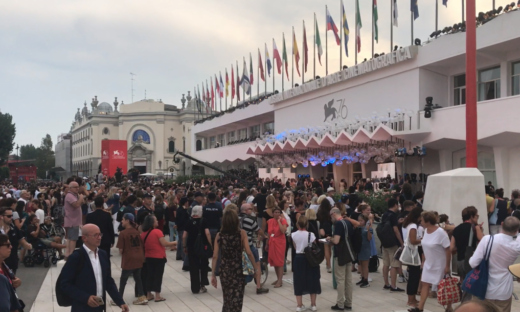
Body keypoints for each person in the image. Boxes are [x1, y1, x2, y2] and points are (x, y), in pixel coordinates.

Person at [60, 224, 129, 312]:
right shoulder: (76, 257)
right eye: (95, 235)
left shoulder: (103, 255)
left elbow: (108, 280)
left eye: (100, 234)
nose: (99, 238)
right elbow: (65, 284)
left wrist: (120, 301)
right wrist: (86, 298)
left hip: (99, 307)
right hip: (82, 307)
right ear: (84, 238)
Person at [468, 216, 520, 311]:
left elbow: (473, 263)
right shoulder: (517, 244)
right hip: (504, 290)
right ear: (517, 230)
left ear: (502, 224)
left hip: (483, 289)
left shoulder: (488, 240)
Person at [211, 209, 257, 312]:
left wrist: (213, 273)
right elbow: (249, 252)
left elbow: (215, 256)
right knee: (237, 297)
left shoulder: (220, 235)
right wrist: (255, 267)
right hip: (238, 269)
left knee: (227, 297)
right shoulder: (242, 234)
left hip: (225, 269)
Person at [411, 211, 452, 312]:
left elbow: (448, 250)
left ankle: (449, 307)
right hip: (429, 262)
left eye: (422, 220)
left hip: (439, 263)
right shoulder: (426, 231)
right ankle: (420, 307)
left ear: (428, 221)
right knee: (425, 283)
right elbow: (425, 247)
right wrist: (424, 260)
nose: (420, 221)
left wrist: (447, 266)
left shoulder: (441, 233)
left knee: (442, 285)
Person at [450, 206, 484, 303]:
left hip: (460, 260)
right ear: (472, 216)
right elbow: (483, 242)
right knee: (470, 287)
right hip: (471, 260)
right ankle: (466, 306)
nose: (477, 218)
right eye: (476, 216)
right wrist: (480, 230)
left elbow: (451, 247)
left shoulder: (457, 228)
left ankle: (464, 304)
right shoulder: (475, 227)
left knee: (464, 283)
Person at [140, 214, 176, 302]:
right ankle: (157, 295)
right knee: (158, 276)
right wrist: (176, 242)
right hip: (159, 257)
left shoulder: (143, 234)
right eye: (155, 220)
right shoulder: (157, 232)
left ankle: (148, 294)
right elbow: (164, 243)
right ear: (152, 223)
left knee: (149, 275)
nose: (157, 221)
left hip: (148, 257)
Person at [115, 213, 148, 305]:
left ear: (127, 221)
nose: (121, 221)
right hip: (139, 257)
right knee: (138, 277)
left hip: (129, 258)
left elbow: (121, 250)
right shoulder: (137, 232)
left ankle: (118, 298)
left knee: (123, 279)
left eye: (123, 219)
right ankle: (142, 296)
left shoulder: (123, 233)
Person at [327, 207, 354, 311]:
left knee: (340, 279)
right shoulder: (347, 222)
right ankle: (348, 302)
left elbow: (337, 241)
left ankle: (340, 303)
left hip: (341, 253)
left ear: (333, 214)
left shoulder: (338, 224)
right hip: (348, 252)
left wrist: (330, 238)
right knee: (348, 279)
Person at [291, 215, 321, 312]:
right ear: (307, 224)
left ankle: (299, 305)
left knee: (298, 280)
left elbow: (295, 247)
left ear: (297, 224)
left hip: (299, 258)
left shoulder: (293, 234)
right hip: (310, 259)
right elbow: (314, 247)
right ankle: (313, 304)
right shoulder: (311, 235)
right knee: (312, 279)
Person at [238, 203, 269, 294]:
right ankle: (258, 287)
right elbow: (258, 231)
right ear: (246, 210)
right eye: (251, 209)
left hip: (237, 247)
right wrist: (264, 236)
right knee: (257, 265)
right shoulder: (250, 220)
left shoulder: (235, 219)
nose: (252, 211)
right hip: (249, 246)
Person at [183, 205, 212, 294]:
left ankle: (195, 288)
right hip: (203, 246)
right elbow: (207, 233)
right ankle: (202, 284)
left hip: (191, 247)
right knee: (203, 265)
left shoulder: (189, 221)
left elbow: (184, 236)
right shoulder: (204, 221)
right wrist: (211, 244)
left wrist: (184, 246)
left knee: (193, 267)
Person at [380, 198, 405, 292]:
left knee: (386, 263)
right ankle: (393, 286)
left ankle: (386, 283)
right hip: (393, 242)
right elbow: (395, 230)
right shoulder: (393, 215)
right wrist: (401, 243)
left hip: (385, 242)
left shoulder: (385, 214)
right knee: (394, 264)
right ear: (395, 205)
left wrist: (398, 222)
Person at [401, 207, 423, 308]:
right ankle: (410, 299)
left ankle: (412, 297)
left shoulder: (408, 224)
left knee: (414, 275)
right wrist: (423, 239)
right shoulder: (413, 226)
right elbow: (413, 240)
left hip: (413, 251)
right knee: (414, 276)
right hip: (413, 252)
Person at [0, 206, 32, 274]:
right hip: (1, 262)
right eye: (9, 216)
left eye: (12, 216)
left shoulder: (14, 229)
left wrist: (28, 245)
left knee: (11, 282)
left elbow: (22, 241)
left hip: (12, 262)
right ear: (1, 217)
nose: (11, 218)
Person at [0, 234, 23, 312]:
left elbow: (12, 280)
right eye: (7, 245)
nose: (11, 247)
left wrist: (17, 282)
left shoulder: (4, 264)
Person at [266, 207, 288, 288]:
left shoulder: (283, 220)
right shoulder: (270, 221)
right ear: (272, 213)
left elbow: (283, 230)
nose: (277, 214)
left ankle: (280, 280)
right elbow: (269, 233)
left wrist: (279, 222)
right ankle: (278, 278)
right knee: (274, 261)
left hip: (280, 242)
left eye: (279, 212)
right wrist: (266, 243)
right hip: (272, 241)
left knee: (280, 261)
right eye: (275, 212)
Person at [63, 181, 84, 258]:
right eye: (75, 187)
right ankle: (71, 254)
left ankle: (68, 254)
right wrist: (81, 198)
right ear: (70, 188)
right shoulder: (70, 196)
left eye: (78, 187)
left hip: (73, 221)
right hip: (72, 221)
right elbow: (76, 204)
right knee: (73, 239)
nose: (77, 188)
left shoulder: (73, 195)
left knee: (70, 238)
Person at [356, 214, 373, 288]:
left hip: (365, 248)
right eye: (359, 220)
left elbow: (369, 238)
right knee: (361, 264)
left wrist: (369, 229)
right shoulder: (358, 228)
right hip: (359, 248)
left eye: (361, 221)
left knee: (365, 265)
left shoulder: (367, 228)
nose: (360, 222)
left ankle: (366, 280)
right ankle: (362, 278)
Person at [317, 199, 333, 273]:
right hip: (330, 230)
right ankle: (329, 263)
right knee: (330, 248)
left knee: (326, 248)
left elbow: (318, 221)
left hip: (322, 230)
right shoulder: (330, 212)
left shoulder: (320, 212)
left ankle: (328, 264)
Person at [176, 197, 190, 265]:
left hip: (179, 227)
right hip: (183, 227)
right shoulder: (183, 210)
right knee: (182, 242)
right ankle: (183, 256)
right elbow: (183, 219)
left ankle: (178, 255)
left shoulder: (178, 209)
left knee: (180, 242)